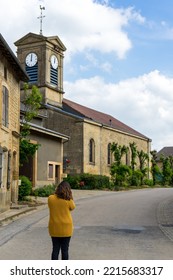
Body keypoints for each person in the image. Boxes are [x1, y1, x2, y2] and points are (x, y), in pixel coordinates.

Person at [48, 181, 76, 260]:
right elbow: (73, 207)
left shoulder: (51, 198)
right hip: (67, 228)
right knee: (65, 250)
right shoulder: (68, 200)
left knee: (55, 249)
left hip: (54, 227)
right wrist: (70, 196)